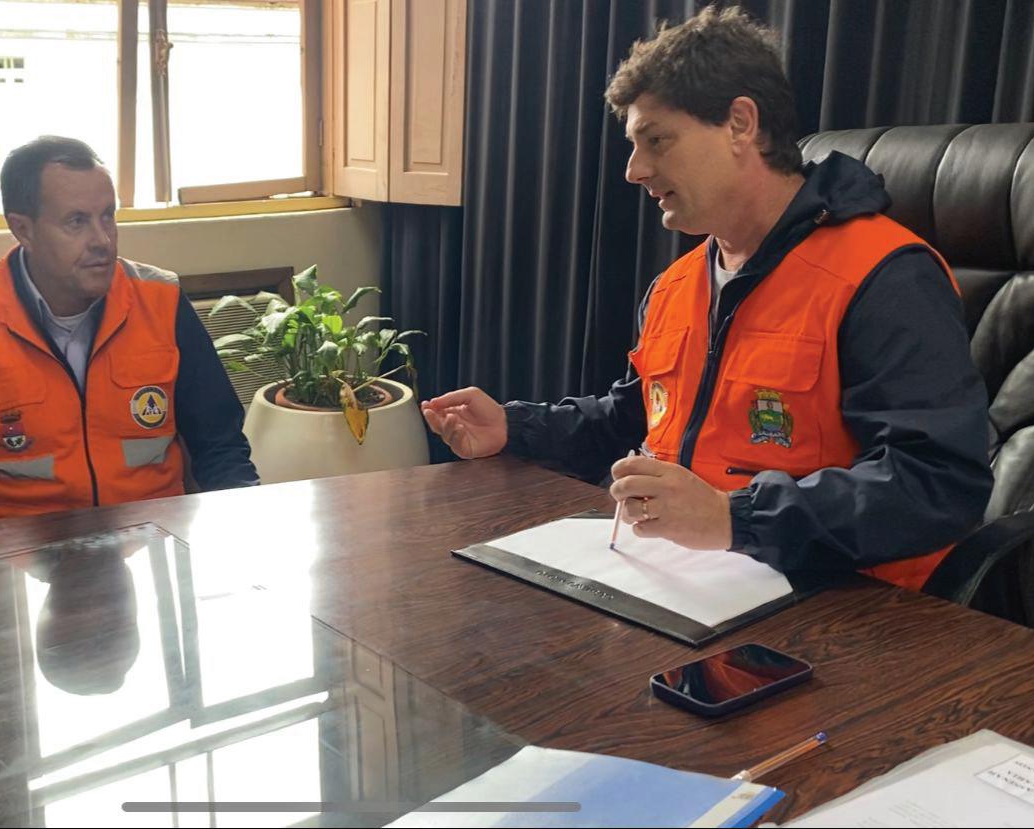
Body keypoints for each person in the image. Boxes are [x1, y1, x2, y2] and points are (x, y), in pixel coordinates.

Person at [419, 7, 992, 590]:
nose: (634, 170)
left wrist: (734, 517)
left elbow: (937, 483)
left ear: (741, 124)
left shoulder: (885, 277)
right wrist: (513, 428)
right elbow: (631, 418)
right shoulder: (675, 286)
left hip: (839, 602)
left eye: (657, 140)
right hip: (687, 581)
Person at [0, 136, 257, 530]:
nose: (102, 240)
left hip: (151, 545)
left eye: (107, 216)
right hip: (16, 557)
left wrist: (240, 535)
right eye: (76, 222)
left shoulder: (161, 301)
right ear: (22, 229)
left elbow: (222, 448)